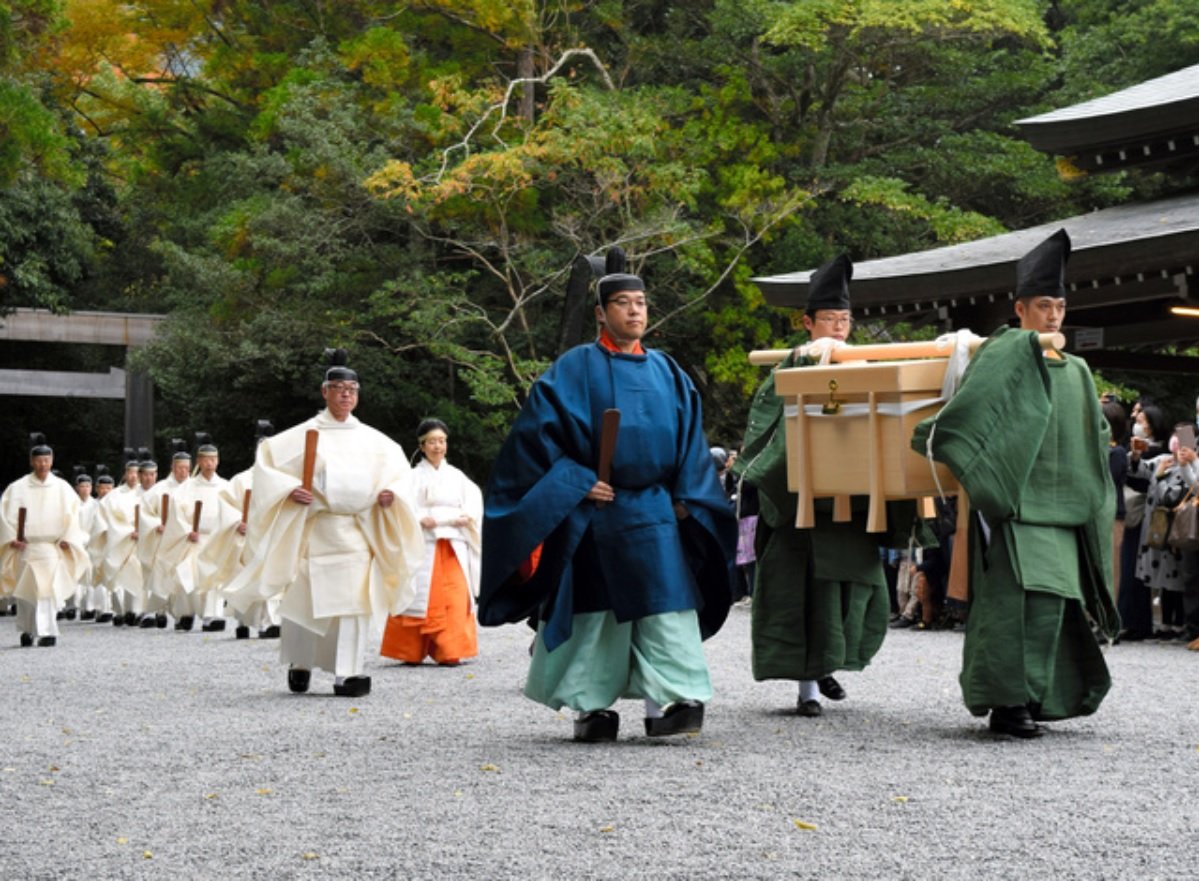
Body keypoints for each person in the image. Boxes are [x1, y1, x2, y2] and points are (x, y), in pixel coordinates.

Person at [479, 249, 737, 742]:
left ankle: (672, 702)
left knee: (667, 610)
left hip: (657, 510)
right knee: (595, 614)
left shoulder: (669, 372)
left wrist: (689, 493)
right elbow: (533, 446)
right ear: (602, 313)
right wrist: (575, 482)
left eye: (641, 303)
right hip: (598, 511)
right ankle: (591, 708)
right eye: (623, 303)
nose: (635, 311)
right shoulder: (573, 370)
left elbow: (691, 441)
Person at [913, 229, 1118, 738]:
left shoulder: (1079, 370)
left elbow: (1097, 435)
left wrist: (1095, 494)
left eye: (1060, 307)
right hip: (1017, 506)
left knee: (1057, 610)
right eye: (1043, 306)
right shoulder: (1003, 354)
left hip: (1069, 509)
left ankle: (1039, 699)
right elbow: (976, 413)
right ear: (1021, 309)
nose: (1053, 317)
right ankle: (1006, 703)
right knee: (1014, 607)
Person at [734, 254, 894, 718]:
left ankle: (829, 665)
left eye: (845, 319)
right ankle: (807, 688)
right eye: (830, 319)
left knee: (845, 590)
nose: (840, 328)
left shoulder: (866, 364)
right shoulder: (792, 364)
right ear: (807, 322)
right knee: (803, 593)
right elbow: (767, 420)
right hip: (801, 502)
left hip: (852, 499)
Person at [225, 350, 424, 698]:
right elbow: (267, 468)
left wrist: (392, 494)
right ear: (324, 392)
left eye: (352, 388)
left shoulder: (377, 442)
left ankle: (349, 673)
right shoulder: (299, 437)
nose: (346, 394)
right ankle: (300, 664)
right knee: (307, 604)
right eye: (338, 388)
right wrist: (290, 491)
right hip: (315, 530)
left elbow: (400, 478)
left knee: (354, 603)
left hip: (358, 531)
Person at [380, 418, 482, 666]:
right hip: (422, 544)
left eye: (442, 441)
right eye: (432, 442)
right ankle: (409, 650)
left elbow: (472, 507)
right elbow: (399, 506)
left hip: (452, 546)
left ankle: (451, 649)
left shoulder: (457, 477)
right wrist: (418, 518)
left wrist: (453, 519)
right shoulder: (410, 477)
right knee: (416, 593)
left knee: (455, 595)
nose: (438, 446)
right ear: (422, 445)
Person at [0, 434, 90, 647]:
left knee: (48, 589)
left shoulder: (62, 488)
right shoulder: (18, 488)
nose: (43, 464)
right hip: (27, 547)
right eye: (39, 460)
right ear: (32, 462)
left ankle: (48, 631)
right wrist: (13, 538)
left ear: (52, 461)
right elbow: (4, 515)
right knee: (26, 592)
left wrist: (69, 538)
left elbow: (74, 516)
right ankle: (27, 630)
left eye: (46, 460)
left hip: (51, 547)